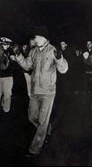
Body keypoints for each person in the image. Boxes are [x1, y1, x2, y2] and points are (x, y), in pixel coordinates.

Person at [11, 26, 68, 156]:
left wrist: (59, 58)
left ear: (44, 38)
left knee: (42, 121)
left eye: (37, 37)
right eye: (35, 37)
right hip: (35, 91)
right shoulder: (33, 51)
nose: (35, 39)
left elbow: (64, 69)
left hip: (48, 92)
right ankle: (45, 130)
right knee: (31, 116)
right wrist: (18, 55)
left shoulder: (53, 50)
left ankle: (34, 150)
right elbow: (27, 65)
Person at [0, 37, 14, 116]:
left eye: (6, 44)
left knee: (7, 94)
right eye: (3, 44)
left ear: (9, 45)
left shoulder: (11, 53)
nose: (4, 46)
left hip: (8, 77)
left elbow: (7, 66)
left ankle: (6, 110)